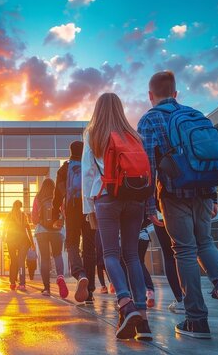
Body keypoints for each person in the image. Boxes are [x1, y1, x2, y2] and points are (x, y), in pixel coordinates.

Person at [137, 71, 218, 341]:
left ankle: (196, 320)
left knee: (185, 251)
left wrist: (148, 207)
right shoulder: (195, 115)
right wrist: (213, 197)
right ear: (176, 93)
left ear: (150, 95)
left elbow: (149, 166)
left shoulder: (149, 119)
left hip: (174, 193)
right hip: (203, 192)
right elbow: (209, 156)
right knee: (205, 244)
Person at [83, 93, 151, 341]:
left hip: (106, 197)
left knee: (110, 254)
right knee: (132, 256)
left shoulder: (93, 134)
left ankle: (125, 303)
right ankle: (143, 321)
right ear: (120, 109)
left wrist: (88, 208)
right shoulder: (133, 135)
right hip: (134, 198)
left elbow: (88, 173)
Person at [53, 141, 97, 303]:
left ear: (70, 151)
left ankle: (80, 274)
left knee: (71, 243)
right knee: (89, 248)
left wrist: (54, 215)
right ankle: (90, 293)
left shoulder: (65, 169)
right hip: (89, 209)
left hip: (72, 210)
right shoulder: (89, 166)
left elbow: (57, 195)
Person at [31, 179, 67, 298]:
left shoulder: (38, 197)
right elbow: (64, 213)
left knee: (45, 259)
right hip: (57, 231)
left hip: (42, 232)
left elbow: (34, 219)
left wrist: (42, 221)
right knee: (57, 255)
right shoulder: (58, 195)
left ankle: (46, 288)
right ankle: (60, 277)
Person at [152, 214, 185, 312]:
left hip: (161, 215)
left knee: (169, 256)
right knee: (185, 253)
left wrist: (151, 215)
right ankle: (191, 298)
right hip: (181, 212)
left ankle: (180, 300)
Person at [4, 200, 34, 291]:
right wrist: (32, 243)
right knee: (21, 262)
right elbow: (28, 229)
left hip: (12, 241)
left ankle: (12, 283)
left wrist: (3, 236)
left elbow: (4, 227)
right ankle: (22, 284)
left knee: (14, 261)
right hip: (23, 241)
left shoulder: (9, 216)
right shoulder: (23, 216)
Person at [137, 221, 155, 308]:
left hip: (131, 235)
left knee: (131, 264)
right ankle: (150, 290)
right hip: (144, 235)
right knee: (140, 262)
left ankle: (138, 294)